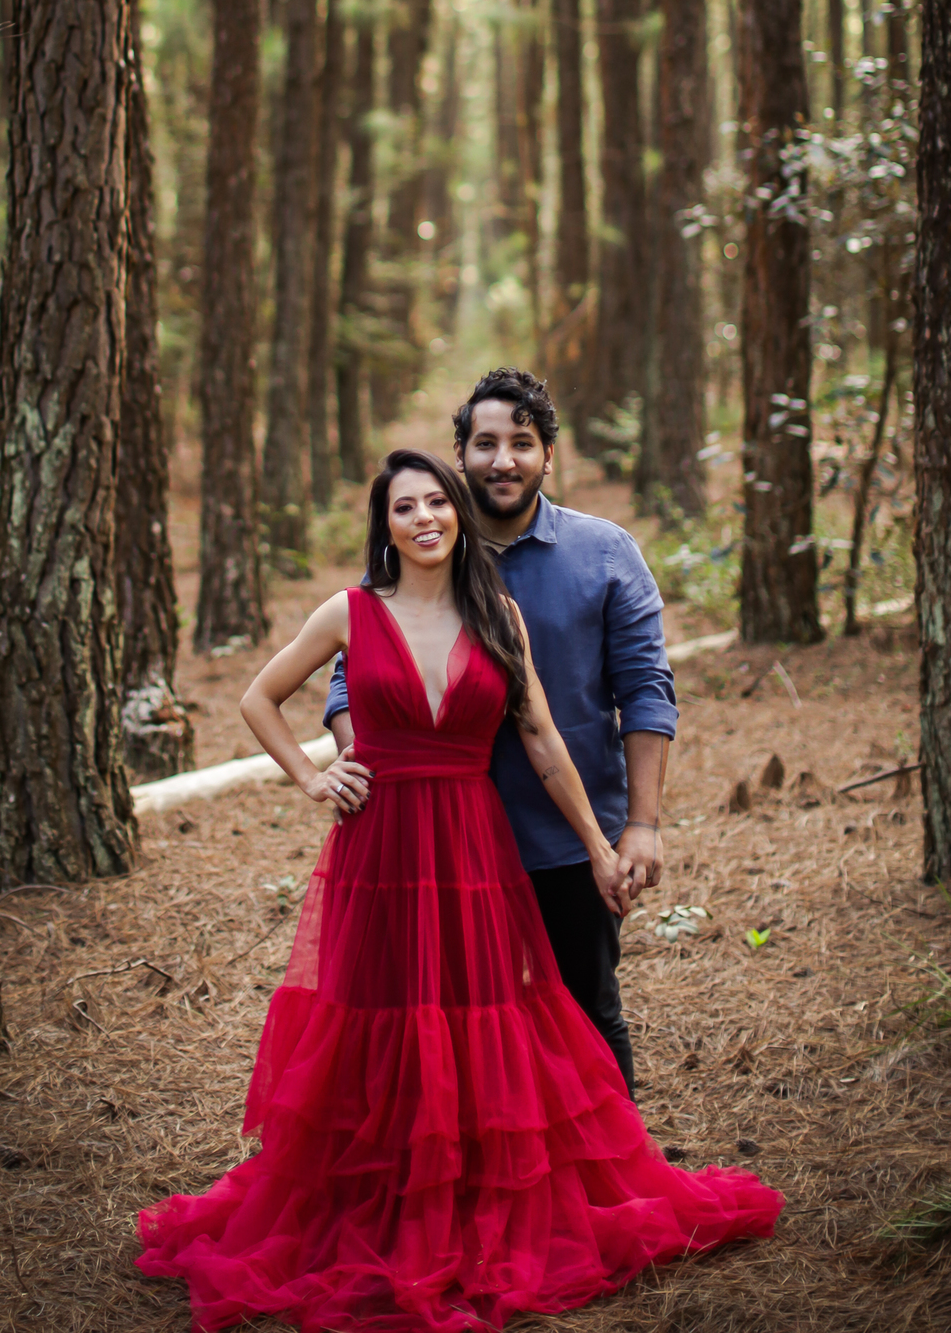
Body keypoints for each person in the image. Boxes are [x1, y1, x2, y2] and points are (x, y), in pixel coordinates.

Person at [137, 450, 782, 1333]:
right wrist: (314, 778)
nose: (426, 518)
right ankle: (388, 1202)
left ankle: (470, 1200)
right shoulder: (351, 611)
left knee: (484, 1018)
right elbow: (259, 697)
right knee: (382, 1019)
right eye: (406, 507)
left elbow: (546, 744)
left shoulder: (497, 615)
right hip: (380, 848)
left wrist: (600, 846)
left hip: (475, 847)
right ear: (386, 523)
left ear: (458, 512)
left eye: (438, 501)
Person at [325, 367, 674, 1093]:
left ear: (550, 453)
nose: (503, 460)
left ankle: (607, 1184)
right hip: (434, 847)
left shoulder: (606, 554)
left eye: (521, 442)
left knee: (584, 1011)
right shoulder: (419, 551)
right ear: (461, 455)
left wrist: (640, 824)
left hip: (564, 842)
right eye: (485, 443)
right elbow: (346, 675)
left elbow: (645, 693)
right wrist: (362, 767)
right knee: (445, 1023)